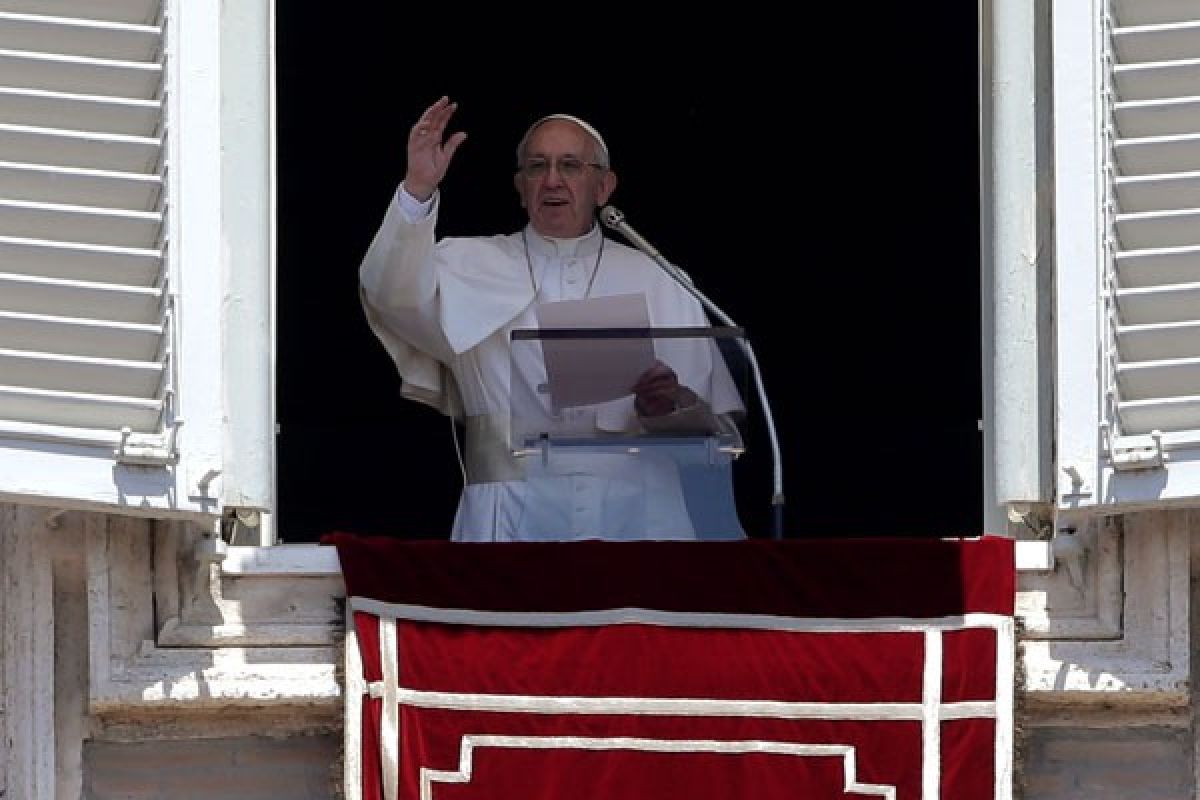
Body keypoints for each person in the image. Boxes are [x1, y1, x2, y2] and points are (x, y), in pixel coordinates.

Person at [359, 96, 745, 542]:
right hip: (509, 515)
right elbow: (390, 294)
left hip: (640, 518)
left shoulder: (659, 277)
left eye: (571, 166)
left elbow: (713, 434)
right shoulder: (467, 264)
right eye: (537, 167)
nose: (553, 180)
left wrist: (670, 405)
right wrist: (417, 190)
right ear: (520, 187)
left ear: (604, 187)